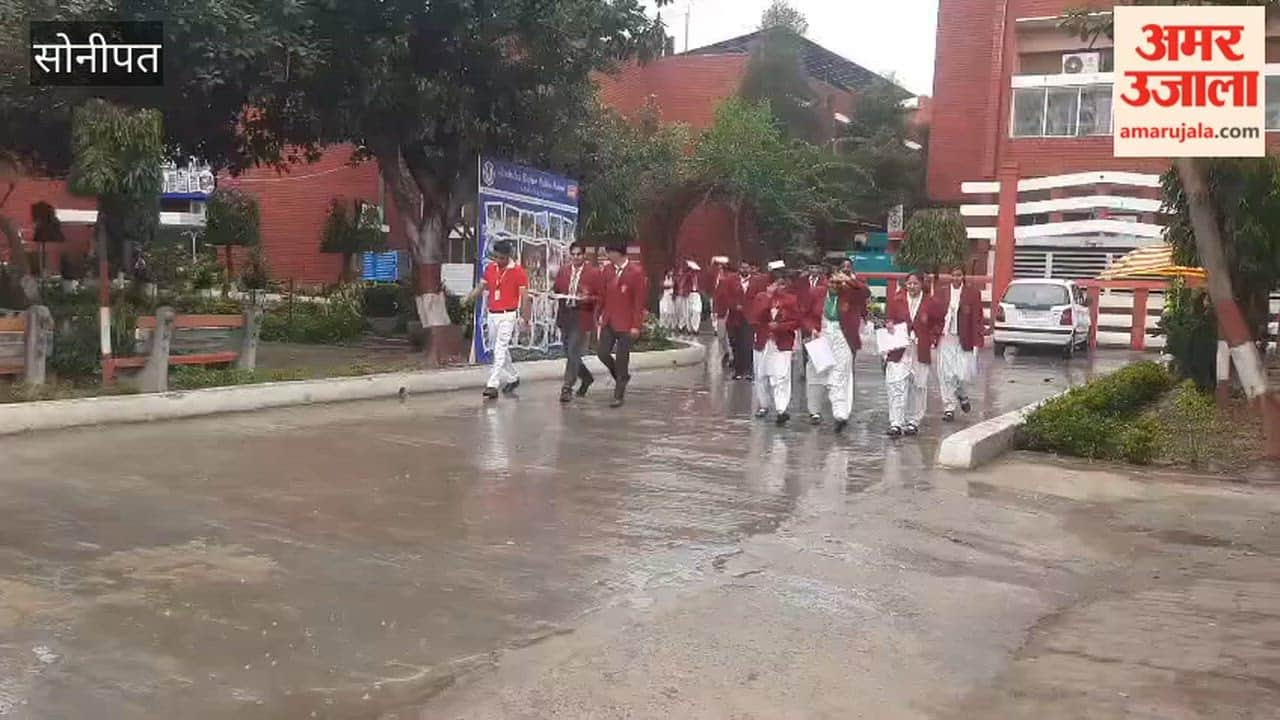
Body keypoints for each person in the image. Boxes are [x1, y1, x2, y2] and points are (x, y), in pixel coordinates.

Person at [804, 264, 871, 432]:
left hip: (843, 336)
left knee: (840, 373)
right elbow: (805, 314)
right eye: (831, 282)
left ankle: (840, 413)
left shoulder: (851, 293)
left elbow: (866, 293)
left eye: (837, 282)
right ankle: (814, 411)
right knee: (815, 372)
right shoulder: (817, 293)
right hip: (822, 335)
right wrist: (812, 328)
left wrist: (849, 280)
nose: (834, 286)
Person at [465, 239, 529, 400]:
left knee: (500, 348)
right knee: (498, 348)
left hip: (508, 315)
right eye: (496, 257)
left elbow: (525, 297)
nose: (498, 260)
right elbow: (482, 287)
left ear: (508, 256)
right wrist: (468, 298)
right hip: (492, 314)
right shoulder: (490, 268)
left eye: (501, 258)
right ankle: (513, 377)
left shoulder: (518, 271)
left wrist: (524, 318)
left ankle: (492, 385)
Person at [750, 261, 802, 425]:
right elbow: (754, 317)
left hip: (782, 343)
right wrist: (768, 297)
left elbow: (796, 322)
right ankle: (764, 405)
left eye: (782, 282)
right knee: (761, 375)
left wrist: (780, 327)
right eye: (776, 281)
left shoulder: (792, 300)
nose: (780, 285)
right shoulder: (761, 297)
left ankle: (781, 409)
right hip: (763, 342)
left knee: (781, 376)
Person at [931, 263, 984, 421]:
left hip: (964, 337)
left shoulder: (972, 294)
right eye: (953, 275)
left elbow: (977, 317)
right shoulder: (942, 293)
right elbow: (934, 315)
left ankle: (962, 394)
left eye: (959, 275)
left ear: (963, 276)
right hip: (946, 337)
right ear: (950, 276)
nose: (956, 278)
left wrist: (977, 340)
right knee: (945, 374)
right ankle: (949, 407)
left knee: (960, 373)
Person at [597, 243, 647, 408]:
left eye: (609, 253)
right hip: (609, 320)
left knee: (622, 359)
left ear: (617, 253)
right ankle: (622, 377)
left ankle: (618, 395)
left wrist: (636, 325)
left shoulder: (636, 273)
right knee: (602, 353)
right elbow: (602, 296)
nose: (607, 256)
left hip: (626, 323)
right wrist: (598, 315)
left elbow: (638, 302)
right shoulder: (608, 271)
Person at [883, 271, 933, 437]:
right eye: (909, 284)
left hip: (920, 349)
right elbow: (888, 318)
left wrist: (931, 337)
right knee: (896, 384)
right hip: (899, 349)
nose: (912, 287)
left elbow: (939, 322)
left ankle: (913, 421)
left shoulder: (930, 302)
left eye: (915, 283)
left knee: (918, 385)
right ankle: (896, 422)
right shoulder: (896, 301)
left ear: (921, 285)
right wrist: (889, 324)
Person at [553, 242, 601, 403]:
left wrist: (588, 298)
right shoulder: (564, 271)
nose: (575, 257)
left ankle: (567, 387)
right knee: (568, 352)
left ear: (584, 255)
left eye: (578, 254)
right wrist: (555, 295)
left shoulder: (593, 273)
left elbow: (600, 296)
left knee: (574, 351)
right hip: (566, 316)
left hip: (582, 316)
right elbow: (557, 289)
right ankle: (586, 377)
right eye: (573, 254)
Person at [724, 260, 757, 380]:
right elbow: (726, 296)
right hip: (735, 318)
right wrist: (734, 305)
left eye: (746, 268)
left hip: (749, 317)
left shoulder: (756, 281)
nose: (744, 270)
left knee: (747, 343)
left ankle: (748, 370)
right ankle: (738, 370)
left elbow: (758, 297)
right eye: (742, 268)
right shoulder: (731, 281)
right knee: (736, 343)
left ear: (750, 268)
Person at [708, 256, 733, 368]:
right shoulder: (717, 280)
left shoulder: (730, 279)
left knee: (729, 335)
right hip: (721, 311)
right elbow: (716, 296)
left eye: (722, 267)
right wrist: (714, 310)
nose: (720, 268)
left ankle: (732, 355)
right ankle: (726, 352)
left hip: (730, 311)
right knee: (721, 335)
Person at [685, 260, 703, 335]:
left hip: (697, 294)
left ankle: (696, 328)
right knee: (689, 312)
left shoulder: (699, 277)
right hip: (689, 294)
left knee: (697, 311)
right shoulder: (688, 276)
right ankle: (689, 328)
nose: (695, 272)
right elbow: (683, 284)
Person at [673, 263, 691, 335]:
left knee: (684, 312)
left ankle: (682, 326)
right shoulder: (677, 279)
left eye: (681, 271)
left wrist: (686, 293)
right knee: (678, 311)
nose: (680, 272)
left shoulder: (686, 278)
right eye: (679, 271)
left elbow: (689, 286)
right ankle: (679, 325)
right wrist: (674, 295)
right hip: (678, 296)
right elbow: (675, 288)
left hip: (684, 296)